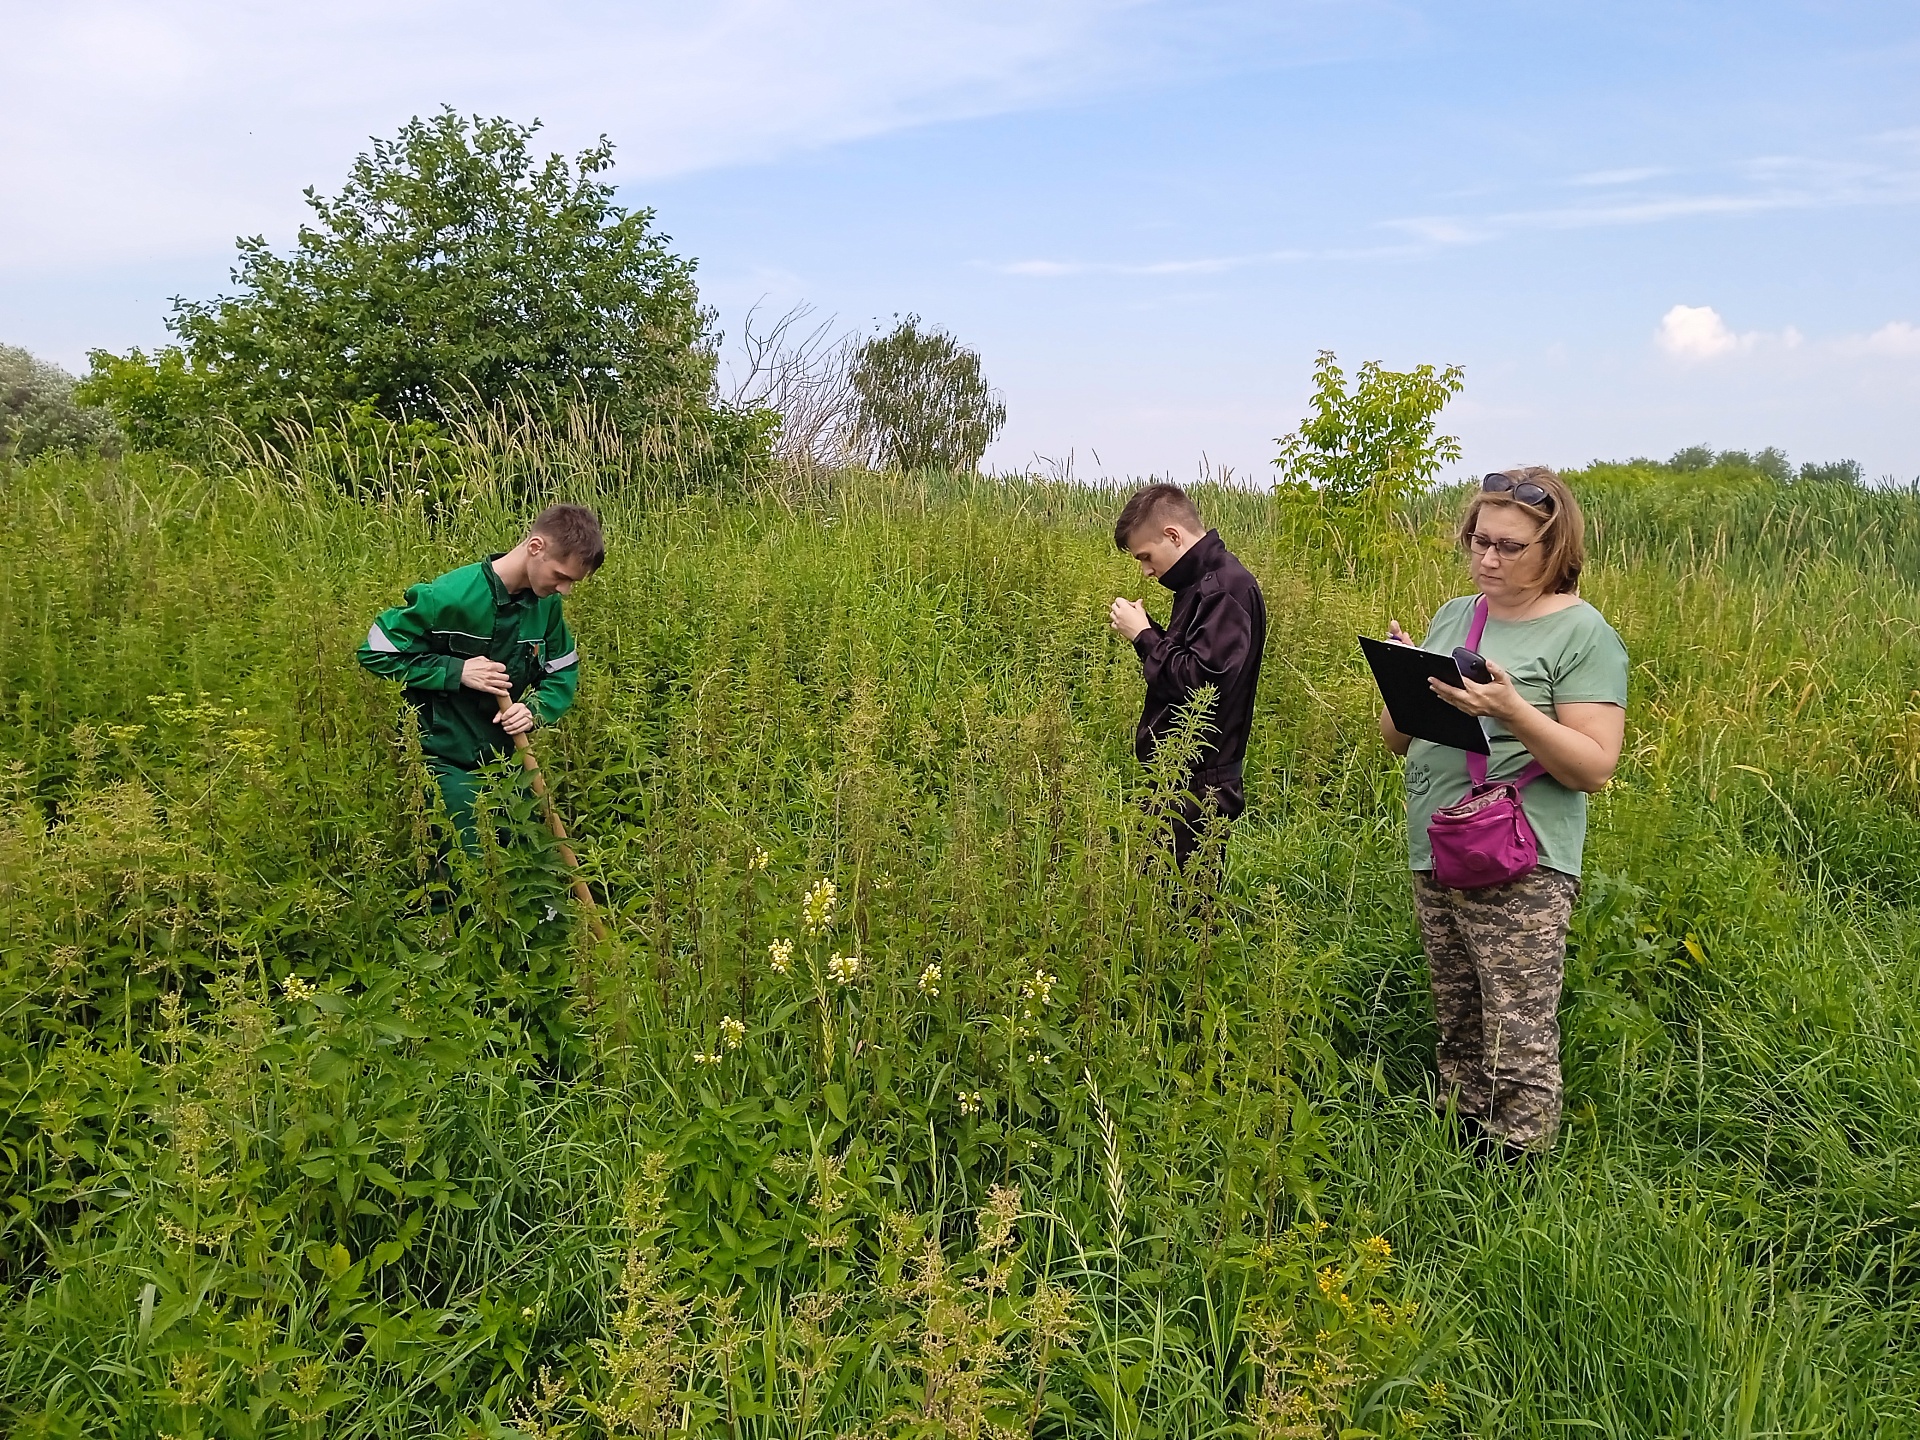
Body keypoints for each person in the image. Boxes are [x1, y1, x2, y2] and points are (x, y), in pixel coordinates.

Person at [1379, 467, 1627, 1159]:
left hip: (1521, 856)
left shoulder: (1583, 634)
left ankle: (1519, 1171)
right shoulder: (1457, 616)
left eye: (1509, 546)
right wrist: (1402, 677)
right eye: (1477, 540)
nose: (1487, 558)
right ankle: (1459, 1147)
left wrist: (1512, 708)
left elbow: (1594, 766)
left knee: (1516, 1027)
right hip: (1440, 843)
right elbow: (1399, 740)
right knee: (1458, 1016)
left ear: (1555, 550)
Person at [357, 504, 604, 844]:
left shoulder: (546, 606)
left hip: (511, 762)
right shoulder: (448, 596)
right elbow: (376, 651)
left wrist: (533, 710)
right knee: (469, 868)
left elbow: (562, 670)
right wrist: (455, 670)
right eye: (561, 576)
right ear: (536, 548)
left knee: (526, 863)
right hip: (447, 759)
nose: (565, 590)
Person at [1108, 483, 1268, 868]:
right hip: (1177, 778)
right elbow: (1192, 664)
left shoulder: (1226, 588)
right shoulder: (1200, 585)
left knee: (1186, 914)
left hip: (1200, 787)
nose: (1146, 571)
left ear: (1173, 535)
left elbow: (1200, 686)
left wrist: (1144, 636)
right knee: (1158, 912)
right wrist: (1152, 632)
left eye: (1146, 556)